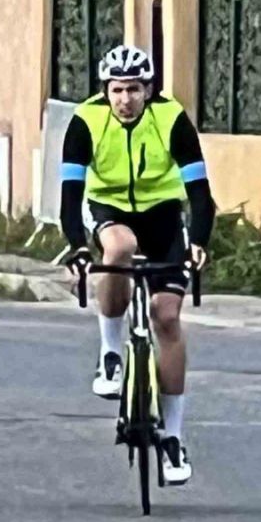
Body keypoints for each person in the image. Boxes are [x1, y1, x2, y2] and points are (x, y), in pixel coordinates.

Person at [58, 45, 216, 486]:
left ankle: (173, 437)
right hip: (108, 209)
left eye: (133, 89)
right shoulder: (86, 121)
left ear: (149, 90)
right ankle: (110, 353)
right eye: (116, 90)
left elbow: (200, 192)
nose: (125, 99)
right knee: (120, 247)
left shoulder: (171, 119)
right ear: (105, 91)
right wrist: (77, 247)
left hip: (163, 217)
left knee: (166, 318)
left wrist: (199, 242)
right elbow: (70, 196)